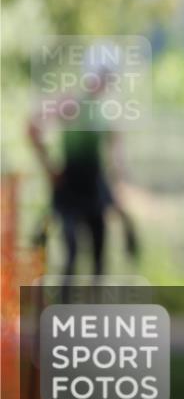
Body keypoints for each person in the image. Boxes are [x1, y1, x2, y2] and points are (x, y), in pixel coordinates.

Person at [27, 66, 139, 286]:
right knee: (72, 250)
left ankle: (93, 313)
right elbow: (32, 127)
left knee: (99, 251)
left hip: (94, 184)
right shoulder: (72, 103)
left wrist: (118, 183)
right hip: (70, 184)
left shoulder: (106, 111)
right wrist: (49, 167)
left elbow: (115, 152)